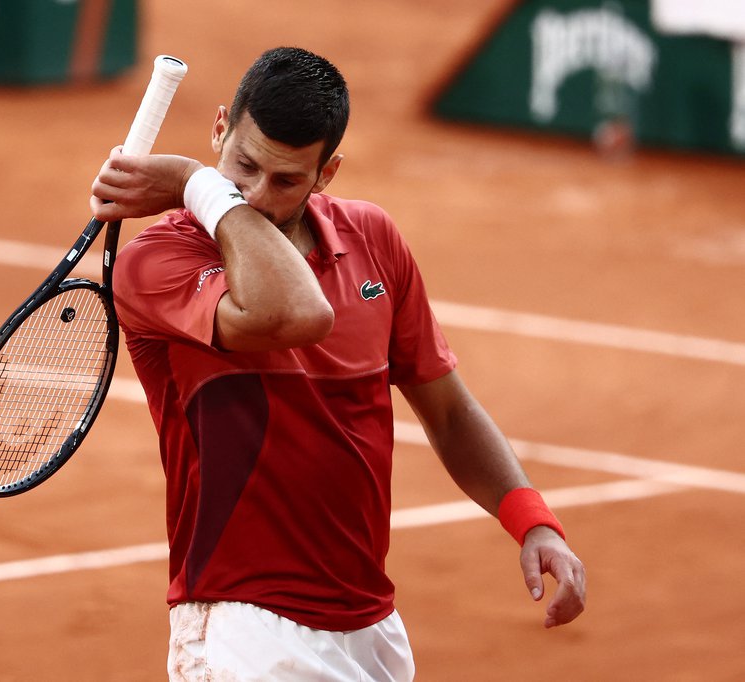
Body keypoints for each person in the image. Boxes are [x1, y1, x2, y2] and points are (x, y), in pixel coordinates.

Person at [90, 46, 586, 681]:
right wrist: (198, 184)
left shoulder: (372, 239)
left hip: (371, 627)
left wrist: (533, 522)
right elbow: (296, 312)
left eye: (288, 179)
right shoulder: (158, 262)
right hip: (246, 627)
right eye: (242, 165)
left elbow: (451, 411)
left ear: (327, 173)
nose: (259, 196)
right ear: (219, 128)